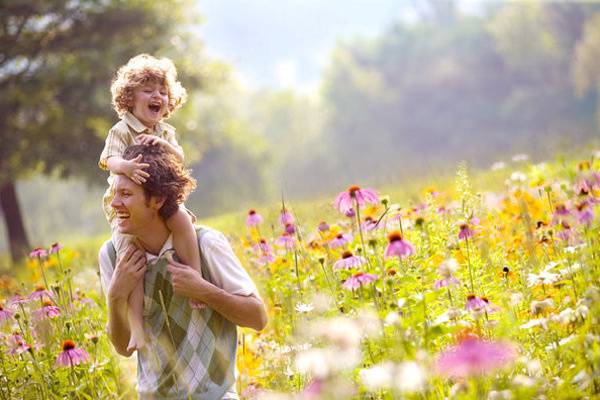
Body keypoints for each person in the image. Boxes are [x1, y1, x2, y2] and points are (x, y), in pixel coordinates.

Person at [98, 144, 268, 399]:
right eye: (114, 193)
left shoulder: (206, 243)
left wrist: (202, 290)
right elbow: (123, 347)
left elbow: (258, 318)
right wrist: (115, 297)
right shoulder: (113, 256)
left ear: (158, 200)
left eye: (125, 194)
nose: (114, 203)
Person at [99, 54, 204, 352]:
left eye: (162, 92)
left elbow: (180, 159)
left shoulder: (166, 132)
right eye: (148, 90)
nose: (157, 96)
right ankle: (137, 329)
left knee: (183, 220)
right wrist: (127, 168)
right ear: (130, 98)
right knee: (131, 260)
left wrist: (167, 146)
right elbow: (110, 159)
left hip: (162, 200)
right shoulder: (121, 130)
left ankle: (195, 278)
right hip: (125, 207)